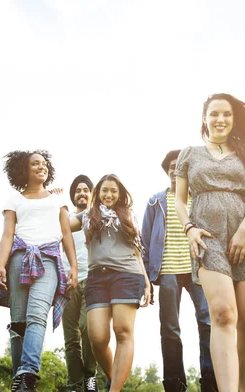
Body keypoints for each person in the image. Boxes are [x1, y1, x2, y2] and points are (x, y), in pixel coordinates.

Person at [175, 93, 245, 392]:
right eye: (214, 114)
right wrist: (189, 228)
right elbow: (181, 201)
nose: (221, 119)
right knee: (222, 314)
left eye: (227, 114)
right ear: (204, 118)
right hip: (207, 237)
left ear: (234, 119)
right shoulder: (189, 154)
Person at [0, 150, 78, 392]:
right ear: (24, 170)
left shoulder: (57, 199)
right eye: (35, 163)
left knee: (37, 315)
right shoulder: (14, 200)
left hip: (48, 259)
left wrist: (73, 266)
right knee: (18, 321)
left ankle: (28, 372)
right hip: (18, 259)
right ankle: (20, 383)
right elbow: (7, 234)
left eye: (44, 163)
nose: (42, 166)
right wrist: (0, 265)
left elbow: (67, 233)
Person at [141, 150, 218, 392]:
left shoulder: (200, 199)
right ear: (167, 170)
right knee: (170, 329)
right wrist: (145, 277)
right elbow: (144, 240)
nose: (176, 169)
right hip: (168, 272)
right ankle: (174, 384)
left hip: (199, 270)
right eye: (172, 166)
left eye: (181, 165)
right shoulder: (156, 201)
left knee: (207, 323)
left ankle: (210, 381)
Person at [69, 174, 151, 392]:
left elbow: (136, 250)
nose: (109, 195)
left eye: (114, 190)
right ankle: (113, 378)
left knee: (122, 331)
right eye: (105, 190)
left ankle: (114, 390)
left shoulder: (128, 215)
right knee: (97, 337)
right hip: (97, 278)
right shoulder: (87, 216)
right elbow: (63, 225)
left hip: (127, 274)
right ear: (98, 193)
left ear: (120, 193)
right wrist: (53, 201)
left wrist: (146, 281)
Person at [62, 175, 98, 392]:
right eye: (78, 190)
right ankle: (75, 384)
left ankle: (90, 377)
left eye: (86, 190)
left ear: (92, 194)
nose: (82, 193)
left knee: (89, 329)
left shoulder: (95, 218)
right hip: (66, 284)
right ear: (73, 196)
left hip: (92, 280)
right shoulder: (64, 221)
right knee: (71, 338)